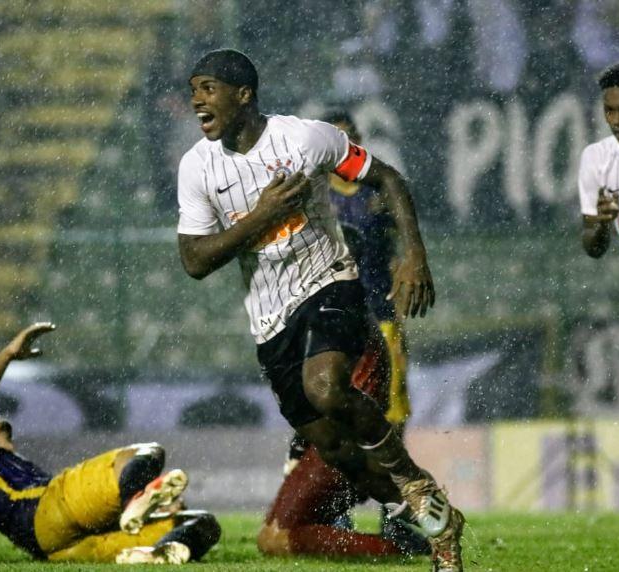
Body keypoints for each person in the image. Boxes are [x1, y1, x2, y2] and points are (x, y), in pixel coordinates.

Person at [177, 49, 464, 571]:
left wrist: (415, 257)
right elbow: (195, 260)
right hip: (270, 318)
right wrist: (261, 215)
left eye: (208, 88)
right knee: (333, 448)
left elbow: (389, 180)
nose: (197, 98)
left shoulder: (305, 139)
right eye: (194, 89)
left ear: (243, 95)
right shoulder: (196, 167)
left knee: (326, 387)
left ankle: (415, 482)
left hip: (330, 281)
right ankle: (425, 514)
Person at [0, 323, 221, 564]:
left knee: (201, 523)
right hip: (47, 512)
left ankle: (153, 553)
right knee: (145, 454)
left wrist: (158, 512)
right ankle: (135, 499)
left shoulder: (2, 474)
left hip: (58, 548)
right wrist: (9, 354)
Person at [323, 109, 410, 428]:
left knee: (390, 402)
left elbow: (398, 252)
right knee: (338, 406)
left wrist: (401, 289)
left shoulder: (379, 194)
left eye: (350, 139)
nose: (343, 147)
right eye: (335, 140)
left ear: (360, 143)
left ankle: (397, 474)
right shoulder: (313, 197)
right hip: (333, 317)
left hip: (378, 309)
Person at [579, 62, 619, 317]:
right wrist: (602, 224)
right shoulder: (596, 159)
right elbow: (592, 247)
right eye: (610, 111)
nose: (617, 121)